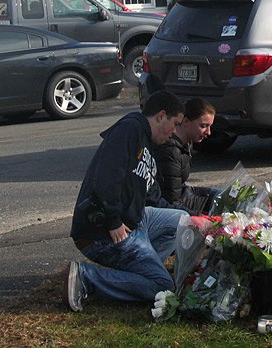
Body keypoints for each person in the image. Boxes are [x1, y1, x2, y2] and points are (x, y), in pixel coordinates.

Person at [66, 90, 188, 312]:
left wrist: (199, 220)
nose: (174, 132)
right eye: (175, 123)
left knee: (183, 221)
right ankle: (86, 278)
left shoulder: (148, 144)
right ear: (161, 116)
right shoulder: (130, 129)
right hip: (102, 230)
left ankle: (140, 271)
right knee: (163, 286)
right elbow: (107, 175)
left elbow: (154, 197)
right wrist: (112, 220)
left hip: (136, 219)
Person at [152, 98, 218, 215]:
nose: (208, 132)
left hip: (183, 194)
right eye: (203, 126)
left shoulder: (187, 142)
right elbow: (171, 201)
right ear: (186, 122)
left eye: (210, 126)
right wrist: (200, 218)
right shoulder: (170, 151)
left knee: (226, 197)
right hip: (167, 208)